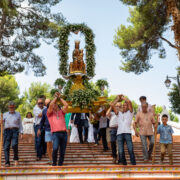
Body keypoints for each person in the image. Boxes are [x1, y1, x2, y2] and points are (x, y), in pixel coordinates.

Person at [47, 92, 68, 166]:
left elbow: (66, 105)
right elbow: (50, 105)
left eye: (56, 104)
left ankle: (60, 164)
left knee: (62, 151)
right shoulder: (49, 113)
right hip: (56, 134)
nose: (54, 105)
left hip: (64, 133)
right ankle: (54, 163)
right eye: (54, 104)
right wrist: (55, 98)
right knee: (55, 148)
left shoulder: (61, 112)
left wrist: (60, 97)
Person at [114, 95, 136, 165]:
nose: (124, 106)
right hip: (119, 133)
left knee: (130, 149)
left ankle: (133, 164)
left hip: (127, 133)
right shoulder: (119, 113)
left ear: (128, 107)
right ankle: (124, 164)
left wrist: (122, 98)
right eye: (123, 105)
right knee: (120, 151)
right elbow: (112, 105)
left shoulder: (130, 112)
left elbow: (129, 101)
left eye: (125, 105)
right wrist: (117, 99)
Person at [0, 101, 23, 167]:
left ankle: (15, 159)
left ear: (14, 107)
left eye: (12, 107)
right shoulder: (5, 114)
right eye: (10, 107)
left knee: (14, 144)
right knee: (6, 147)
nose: (11, 108)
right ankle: (7, 162)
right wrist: (1, 122)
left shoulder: (18, 114)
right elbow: (1, 124)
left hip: (15, 130)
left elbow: (20, 124)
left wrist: (21, 132)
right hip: (7, 131)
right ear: (8, 107)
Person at [37, 99, 52, 164]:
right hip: (47, 129)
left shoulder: (56, 109)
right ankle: (51, 159)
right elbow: (42, 120)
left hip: (55, 130)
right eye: (46, 103)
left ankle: (54, 157)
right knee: (48, 144)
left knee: (54, 145)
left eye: (49, 102)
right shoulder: (44, 110)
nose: (48, 104)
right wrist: (39, 129)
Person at [106, 100, 121, 164]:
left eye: (119, 106)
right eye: (116, 106)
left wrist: (113, 105)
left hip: (120, 129)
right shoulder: (112, 113)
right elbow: (107, 114)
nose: (117, 107)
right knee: (112, 142)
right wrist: (111, 106)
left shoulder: (122, 113)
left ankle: (119, 158)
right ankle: (114, 156)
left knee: (120, 144)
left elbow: (117, 112)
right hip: (112, 129)